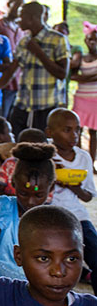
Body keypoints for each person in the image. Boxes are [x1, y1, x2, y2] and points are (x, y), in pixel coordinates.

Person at [0, 2, 71, 137]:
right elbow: (11, 72)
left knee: (42, 145)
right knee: (17, 140)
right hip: (23, 104)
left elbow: (62, 74)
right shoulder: (24, 42)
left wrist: (39, 52)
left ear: (33, 18)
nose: (19, 21)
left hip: (46, 106)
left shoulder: (57, 39)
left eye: (22, 17)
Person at [0, 143, 55, 279]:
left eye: (38, 195)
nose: (30, 202)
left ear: (51, 187)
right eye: (24, 194)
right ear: (13, 183)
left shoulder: (52, 219)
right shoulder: (3, 207)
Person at [46, 108, 97, 288]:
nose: (74, 135)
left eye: (78, 130)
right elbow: (34, 190)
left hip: (77, 215)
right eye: (67, 130)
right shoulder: (46, 154)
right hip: (48, 214)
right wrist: (51, 174)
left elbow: (88, 196)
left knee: (94, 249)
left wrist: (74, 186)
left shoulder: (83, 157)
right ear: (50, 133)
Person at [0, 0, 26, 119]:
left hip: (18, 81)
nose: (19, 9)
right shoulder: (0, 26)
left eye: (22, 6)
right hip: (4, 80)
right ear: (9, 4)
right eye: (16, 5)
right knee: (2, 117)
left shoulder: (21, 28)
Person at [71, 22, 97, 163]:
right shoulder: (81, 57)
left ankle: (91, 162)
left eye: (95, 39)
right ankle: (79, 160)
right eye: (89, 39)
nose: (92, 42)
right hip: (81, 98)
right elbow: (72, 76)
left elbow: (78, 77)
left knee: (94, 132)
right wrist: (91, 77)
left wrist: (83, 79)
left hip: (95, 99)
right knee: (77, 130)